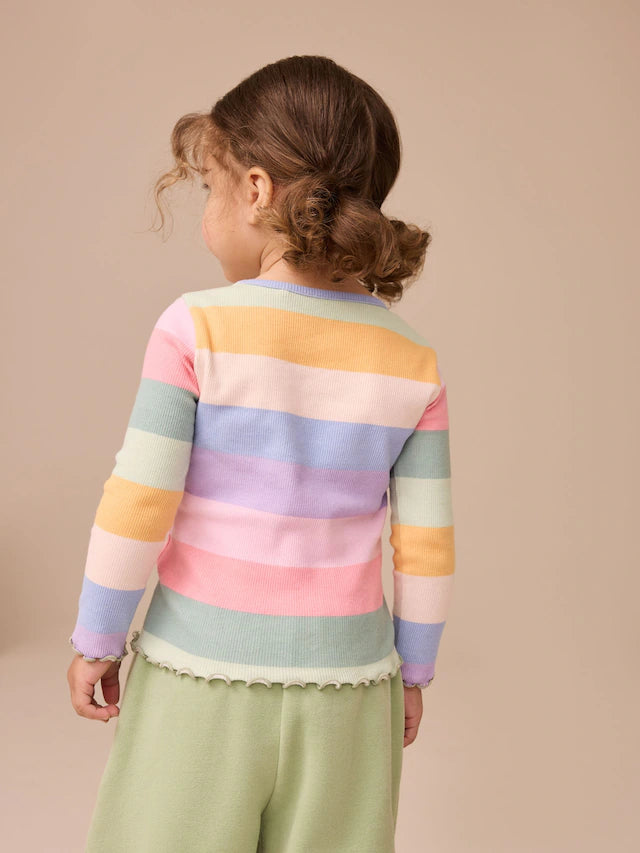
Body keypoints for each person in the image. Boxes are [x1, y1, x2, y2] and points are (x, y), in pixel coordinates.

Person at [66, 54, 455, 853]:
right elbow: (426, 545)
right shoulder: (412, 359)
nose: (206, 212)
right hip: (351, 692)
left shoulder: (196, 326)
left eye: (209, 187)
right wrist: (412, 672)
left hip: (201, 675)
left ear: (253, 189)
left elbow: (139, 500)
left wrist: (97, 638)